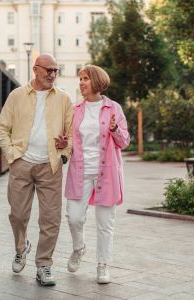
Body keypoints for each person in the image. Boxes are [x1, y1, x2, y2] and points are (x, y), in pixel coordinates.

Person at [0, 54, 73, 286]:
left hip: (50, 165)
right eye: (48, 70)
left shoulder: (64, 99)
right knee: (18, 214)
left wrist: (63, 151)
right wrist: (12, 155)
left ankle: (44, 265)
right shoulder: (17, 96)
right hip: (22, 162)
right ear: (35, 70)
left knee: (51, 218)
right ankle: (21, 248)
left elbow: (70, 134)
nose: (52, 75)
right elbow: (2, 128)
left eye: (56, 71)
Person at [65, 65, 130, 284]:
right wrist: (63, 143)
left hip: (106, 173)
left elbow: (125, 142)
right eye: (80, 79)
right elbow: (69, 140)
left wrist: (114, 130)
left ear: (97, 82)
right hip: (80, 171)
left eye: (85, 79)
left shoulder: (114, 108)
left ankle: (103, 265)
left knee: (105, 224)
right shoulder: (75, 110)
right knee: (74, 218)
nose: (81, 82)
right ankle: (78, 248)